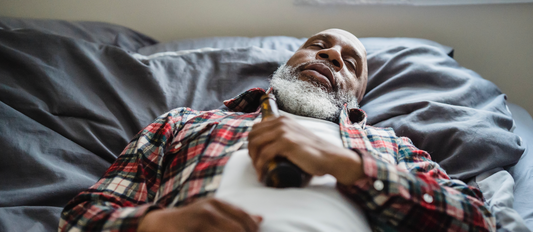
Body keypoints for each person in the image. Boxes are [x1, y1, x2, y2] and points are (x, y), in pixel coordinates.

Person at [59, 29, 496, 232]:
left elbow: (477, 221)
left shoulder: (390, 147)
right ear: (286, 64)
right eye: (319, 46)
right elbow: (81, 218)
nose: (332, 58)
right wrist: (160, 224)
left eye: (351, 62)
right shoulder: (185, 123)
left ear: (358, 96)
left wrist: (347, 165)